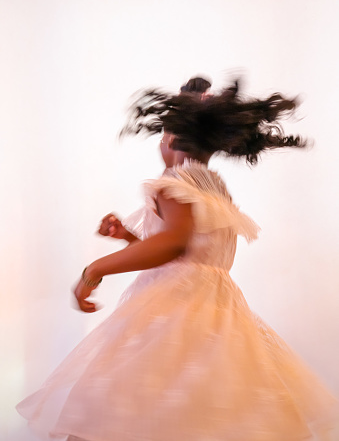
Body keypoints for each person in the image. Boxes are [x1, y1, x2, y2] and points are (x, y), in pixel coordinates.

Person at [17, 78, 338, 441]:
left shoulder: (172, 183)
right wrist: (130, 239)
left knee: (124, 408)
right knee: (199, 411)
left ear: (170, 137)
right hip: (219, 316)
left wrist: (94, 271)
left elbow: (173, 245)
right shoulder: (216, 191)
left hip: (174, 313)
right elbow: (186, 256)